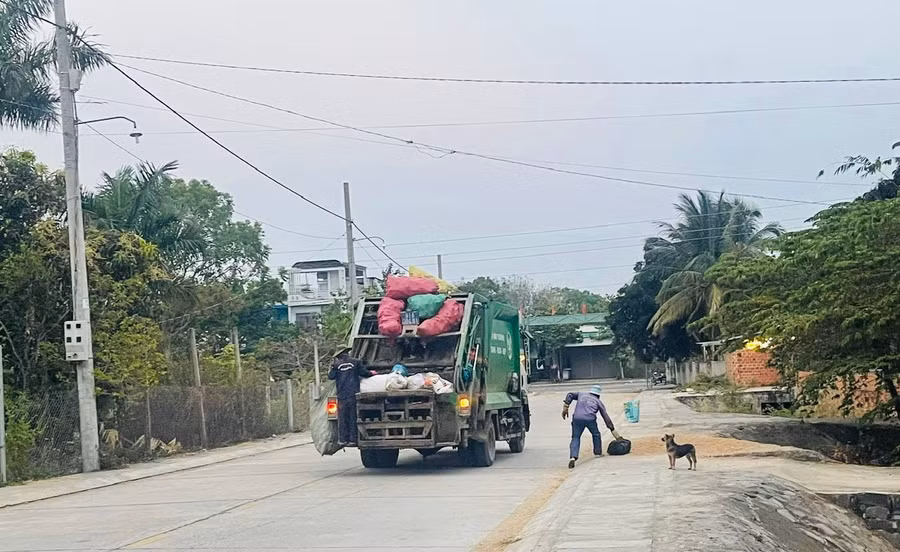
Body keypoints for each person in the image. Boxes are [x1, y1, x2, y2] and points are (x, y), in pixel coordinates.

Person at [562, 384, 622, 469]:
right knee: (596, 434)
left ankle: (573, 457)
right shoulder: (598, 402)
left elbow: (570, 395)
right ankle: (598, 453)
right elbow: (605, 417)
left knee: (575, 437)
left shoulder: (581, 394)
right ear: (598, 395)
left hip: (577, 418)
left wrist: (566, 407)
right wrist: (613, 431)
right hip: (590, 419)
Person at [328, 349, 374, 445]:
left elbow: (331, 377)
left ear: (338, 355)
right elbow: (363, 373)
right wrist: (372, 373)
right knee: (353, 416)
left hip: (342, 395)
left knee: (342, 417)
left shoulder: (336, 365)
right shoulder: (356, 362)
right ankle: (353, 439)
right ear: (347, 352)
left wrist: (332, 367)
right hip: (353, 395)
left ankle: (343, 439)